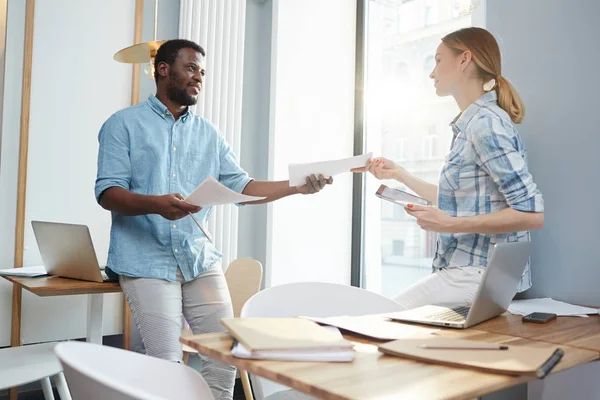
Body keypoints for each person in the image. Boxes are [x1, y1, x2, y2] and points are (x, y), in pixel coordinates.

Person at [94, 39, 332, 400]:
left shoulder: (209, 133)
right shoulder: (122, 124)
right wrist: (158, 204)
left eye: (202, 72)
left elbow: (243, 186)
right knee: (167, 364)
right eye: (190, 68)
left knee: (225, 356)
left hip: (198, 257)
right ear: (163, 69)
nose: (198, 78)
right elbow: (108, 193)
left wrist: (298, 187)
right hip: (145, 260)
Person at [353, 27, 544, 309]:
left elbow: (531, 214)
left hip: (475, 274)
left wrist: (451, 224)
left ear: (464, 59)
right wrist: (400, 175)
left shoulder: (485, 124)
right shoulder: (473, 123)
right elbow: (462, 199)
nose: (432, 73)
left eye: (439, 60)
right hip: (471, 274)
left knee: (375, 317)